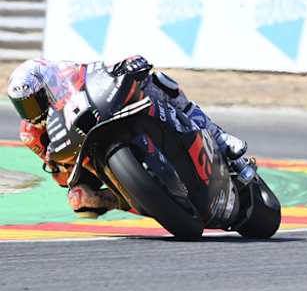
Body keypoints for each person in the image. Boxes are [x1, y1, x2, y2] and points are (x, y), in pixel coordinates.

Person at [6, 56, 253, 218]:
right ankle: (141, 199)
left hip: (108, 117)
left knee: (158, 81)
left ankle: (219, 137)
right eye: (23, 106)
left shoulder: (69, 72)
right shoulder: (30, 133)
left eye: (32, 101)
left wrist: (128, 64)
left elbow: (101, 72)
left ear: (47, 86)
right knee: (79, 201)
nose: (30, 111)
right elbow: (61, 177)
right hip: (86, 162)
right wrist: (56, 164)